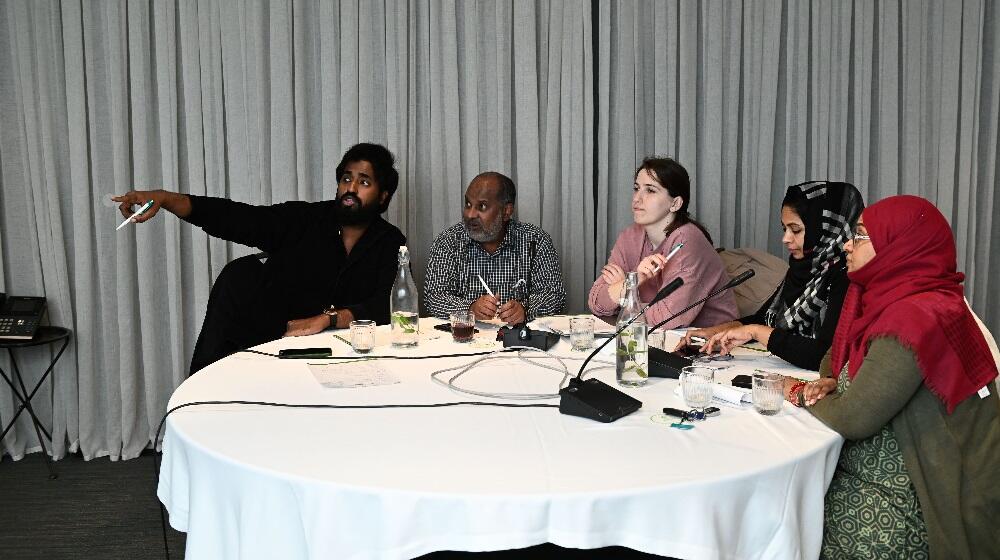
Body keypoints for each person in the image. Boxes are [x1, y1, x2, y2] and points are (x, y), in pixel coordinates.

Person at [787, 196, 1000, 558]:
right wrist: (831, 381)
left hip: (902, 500)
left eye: (861, 236)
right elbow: (832, 358)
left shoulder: (914, 318)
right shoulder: (889, 297)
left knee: (783, 521)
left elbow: (854, 418)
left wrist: (802, 394)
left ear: (899, 246)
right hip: (886, 473)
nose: (848, 245)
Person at [113, 143, 406, 374]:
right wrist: (165, 199)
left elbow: (388, 304)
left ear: (383, 196)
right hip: (275, 344)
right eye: (346, 179)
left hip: (344, 354)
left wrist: (328, 319)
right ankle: (202, 406)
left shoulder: (389, 241)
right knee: (240, 274)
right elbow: (237, 218)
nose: (351, 189)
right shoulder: (304, 220)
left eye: (364, 182)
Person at [682, 181, 864, 370]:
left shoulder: (847, 276)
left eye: (796, 230)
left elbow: (823, 354)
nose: (786, 239)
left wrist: (755, 332)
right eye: (784, 229)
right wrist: (718, 331)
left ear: (825, 229)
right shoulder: (804, 268)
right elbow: (764, 318)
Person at [587, 157, 737, 329]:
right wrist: (633, 281)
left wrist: (624, 295)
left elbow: (666, 318)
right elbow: (596, 302)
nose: (637, 198)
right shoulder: (630, 235)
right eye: (636, 189)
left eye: (650, 191)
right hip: (656, 340)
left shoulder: (688, 241)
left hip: (712, 345)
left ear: (675, 203)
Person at [423, 172, 566, 325]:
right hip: (466, 338)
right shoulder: (449, 241)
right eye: (468, 204)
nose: (470, 214)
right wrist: (469, 309)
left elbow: (555, 295)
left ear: (506, 212)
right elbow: (433, 296)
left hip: (519, 341)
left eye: (482, 206)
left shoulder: (535, 240)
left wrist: (525, 309)